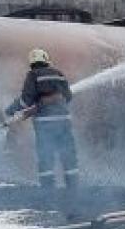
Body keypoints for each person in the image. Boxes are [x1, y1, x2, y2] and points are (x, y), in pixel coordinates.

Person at [7, 48, 79, 198]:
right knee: (68, 156)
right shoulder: (59, 73)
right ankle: (73, 192)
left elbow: (25, 101)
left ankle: (48, 194)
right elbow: (68, 96)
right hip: (64, 122)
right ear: (46, 59)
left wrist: (12, 109)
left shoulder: (33, 75)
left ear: (32, 62)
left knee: (46, 158)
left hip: (45, 125)